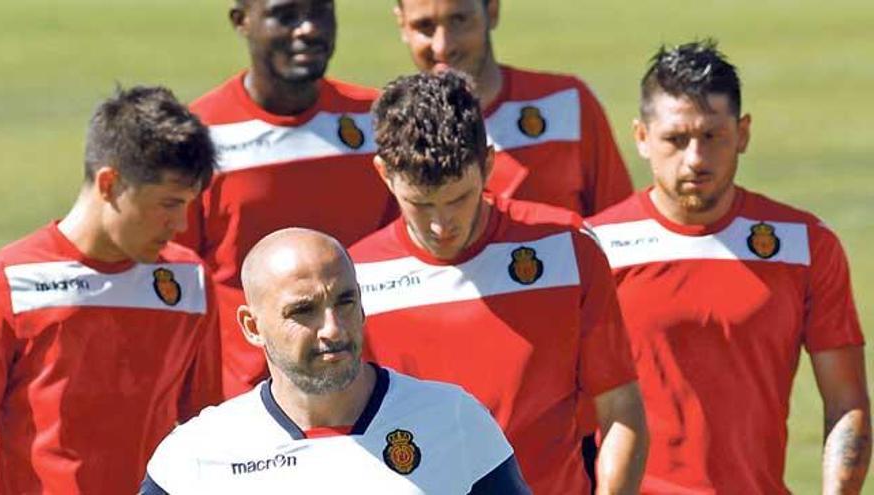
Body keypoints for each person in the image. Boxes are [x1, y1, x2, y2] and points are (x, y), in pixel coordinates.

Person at [587, 40, 871, 494]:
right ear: (642, 137)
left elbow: (846, 401)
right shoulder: (595, 249)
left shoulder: (804, 245)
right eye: (676, 140)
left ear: (742, 133)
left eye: (712, 136)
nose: (695, 159)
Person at [349, 71, 648, 495]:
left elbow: (621, 409)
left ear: (488, 163)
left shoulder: (565, 248)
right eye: (420, 203)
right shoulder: (357, 280)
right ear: (383, 173)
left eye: (458, 198)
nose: (441, 224)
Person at [141, 228, 531, 494]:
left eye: (345, 302)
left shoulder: (453, 419)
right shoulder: (195, 456)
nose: (333, 329)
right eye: (303, 311)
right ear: (251, 325)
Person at [0, 86, 221, 494]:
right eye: (168, 204)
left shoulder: (190, 282)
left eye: (188, 204)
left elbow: (204, 427)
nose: (182, 224)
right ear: (109, 183)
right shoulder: (12, 280)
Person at [177, 0, 395, 399]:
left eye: (320, 11)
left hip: (371, 392)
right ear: (242, 20)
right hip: (248, 402)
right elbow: (176, 281)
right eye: (286, 15)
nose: (308, 29)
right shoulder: (199, 136)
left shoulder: (376, 121)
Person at [392, 0, 633, 217]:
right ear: (402, 24)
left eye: (459, 20)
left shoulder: (566, 104)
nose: (443, 46)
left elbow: (617, 228)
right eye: (424, 26)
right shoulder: (389, 128)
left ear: (492, 11)